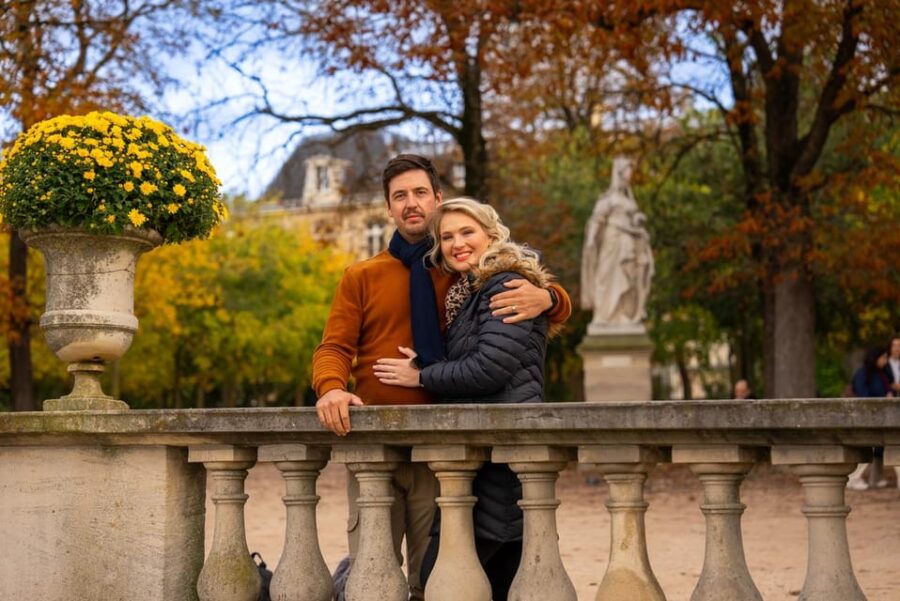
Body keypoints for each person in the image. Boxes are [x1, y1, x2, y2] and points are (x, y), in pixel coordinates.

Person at [311, 155, 572, 601]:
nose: (411, 204)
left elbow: (517, 297)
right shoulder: (361, 276)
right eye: (399, 197)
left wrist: (549, 297)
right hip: (376, 443)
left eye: (419, 193)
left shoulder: (462, 270)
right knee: (371, 574)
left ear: (437, 199)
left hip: (441, 448)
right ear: (389, 209)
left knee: (431, 580)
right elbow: (334, 347)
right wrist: (331, 387)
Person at [373, 198, 554, 601]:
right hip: (486, 455)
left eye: (467, 232)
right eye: (447, 236)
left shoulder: (506, 286)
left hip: (504, 457)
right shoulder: (473, 291)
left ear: (491, 234)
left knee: (447, 574)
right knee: (488, 578)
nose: (457, 243)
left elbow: (490, 368)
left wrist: (421, 376)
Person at [847, 346, 893, 490]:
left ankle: (876, 478)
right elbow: (862, 395)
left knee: (879, 448)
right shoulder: (863, 374)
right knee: (868, 447)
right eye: (883, 357)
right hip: (865, 416)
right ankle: (853, 478)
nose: (885, 361)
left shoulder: (882, 374)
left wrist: (889, 395)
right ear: (875, 358)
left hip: (880, 416)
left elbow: (887, 389)